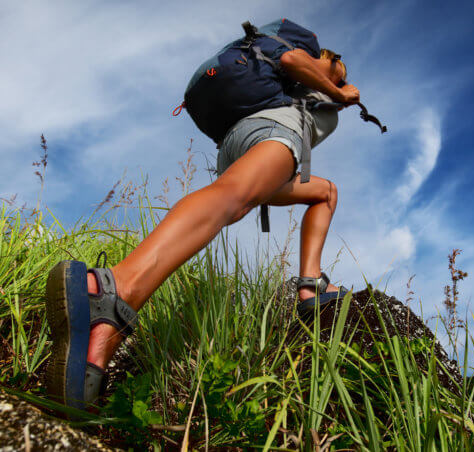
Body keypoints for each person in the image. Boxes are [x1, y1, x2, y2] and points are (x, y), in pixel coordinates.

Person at [44, 46, 360, 409]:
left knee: (325, 192)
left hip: (240, 144)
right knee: (232, 197)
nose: (341, 81)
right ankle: (116, 288)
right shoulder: (301, 55)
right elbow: (291, 61)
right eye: (338, 71)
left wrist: (332, 95)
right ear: (328, 56)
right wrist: (339, 93)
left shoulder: (300, 90)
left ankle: (100, 343)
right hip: (272, 133)